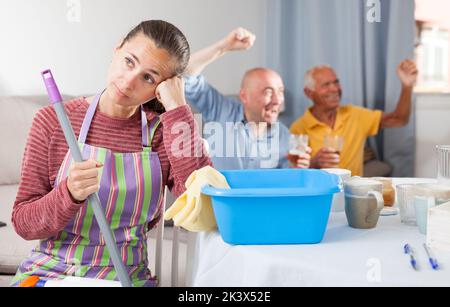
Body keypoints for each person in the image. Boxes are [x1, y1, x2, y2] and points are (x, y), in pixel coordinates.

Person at [11, 20, 210, 287]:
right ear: (117, 49)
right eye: (129, 61)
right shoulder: (53, 121)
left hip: (127, 278)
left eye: (148, 78)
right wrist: (68, 193)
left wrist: (177, 109)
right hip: (51, 274)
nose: (129, 82)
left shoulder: (163, 133)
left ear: (161, 88)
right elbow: (24, 224)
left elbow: (202, 205)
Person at [184, 27, 311, 170]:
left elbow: (283, 185)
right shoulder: (222, 110)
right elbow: (185, 73)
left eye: (280, 91)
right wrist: (224, 47)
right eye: (268, 92)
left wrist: (296, 170)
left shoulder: (284, 135)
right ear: (244, 96)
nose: (277, 100)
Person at [290, 61, 418, 176]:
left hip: (353, 194)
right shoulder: (298, 128)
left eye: (336, 82)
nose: (335, 89)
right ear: (308, 93)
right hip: (320, 195)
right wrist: (314, 162)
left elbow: (399, 119)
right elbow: (295, 173)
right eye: (326, 85)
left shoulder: (355, 115)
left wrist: (407, 86)